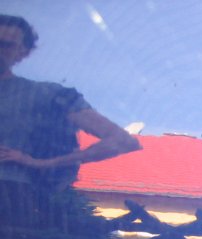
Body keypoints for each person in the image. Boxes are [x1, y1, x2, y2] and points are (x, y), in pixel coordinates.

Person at [0, 14, 140, 222]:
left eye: (6, 45)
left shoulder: (46, 95)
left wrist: (40, 163)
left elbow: (121, 141)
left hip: (9, 201)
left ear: (23, 52)